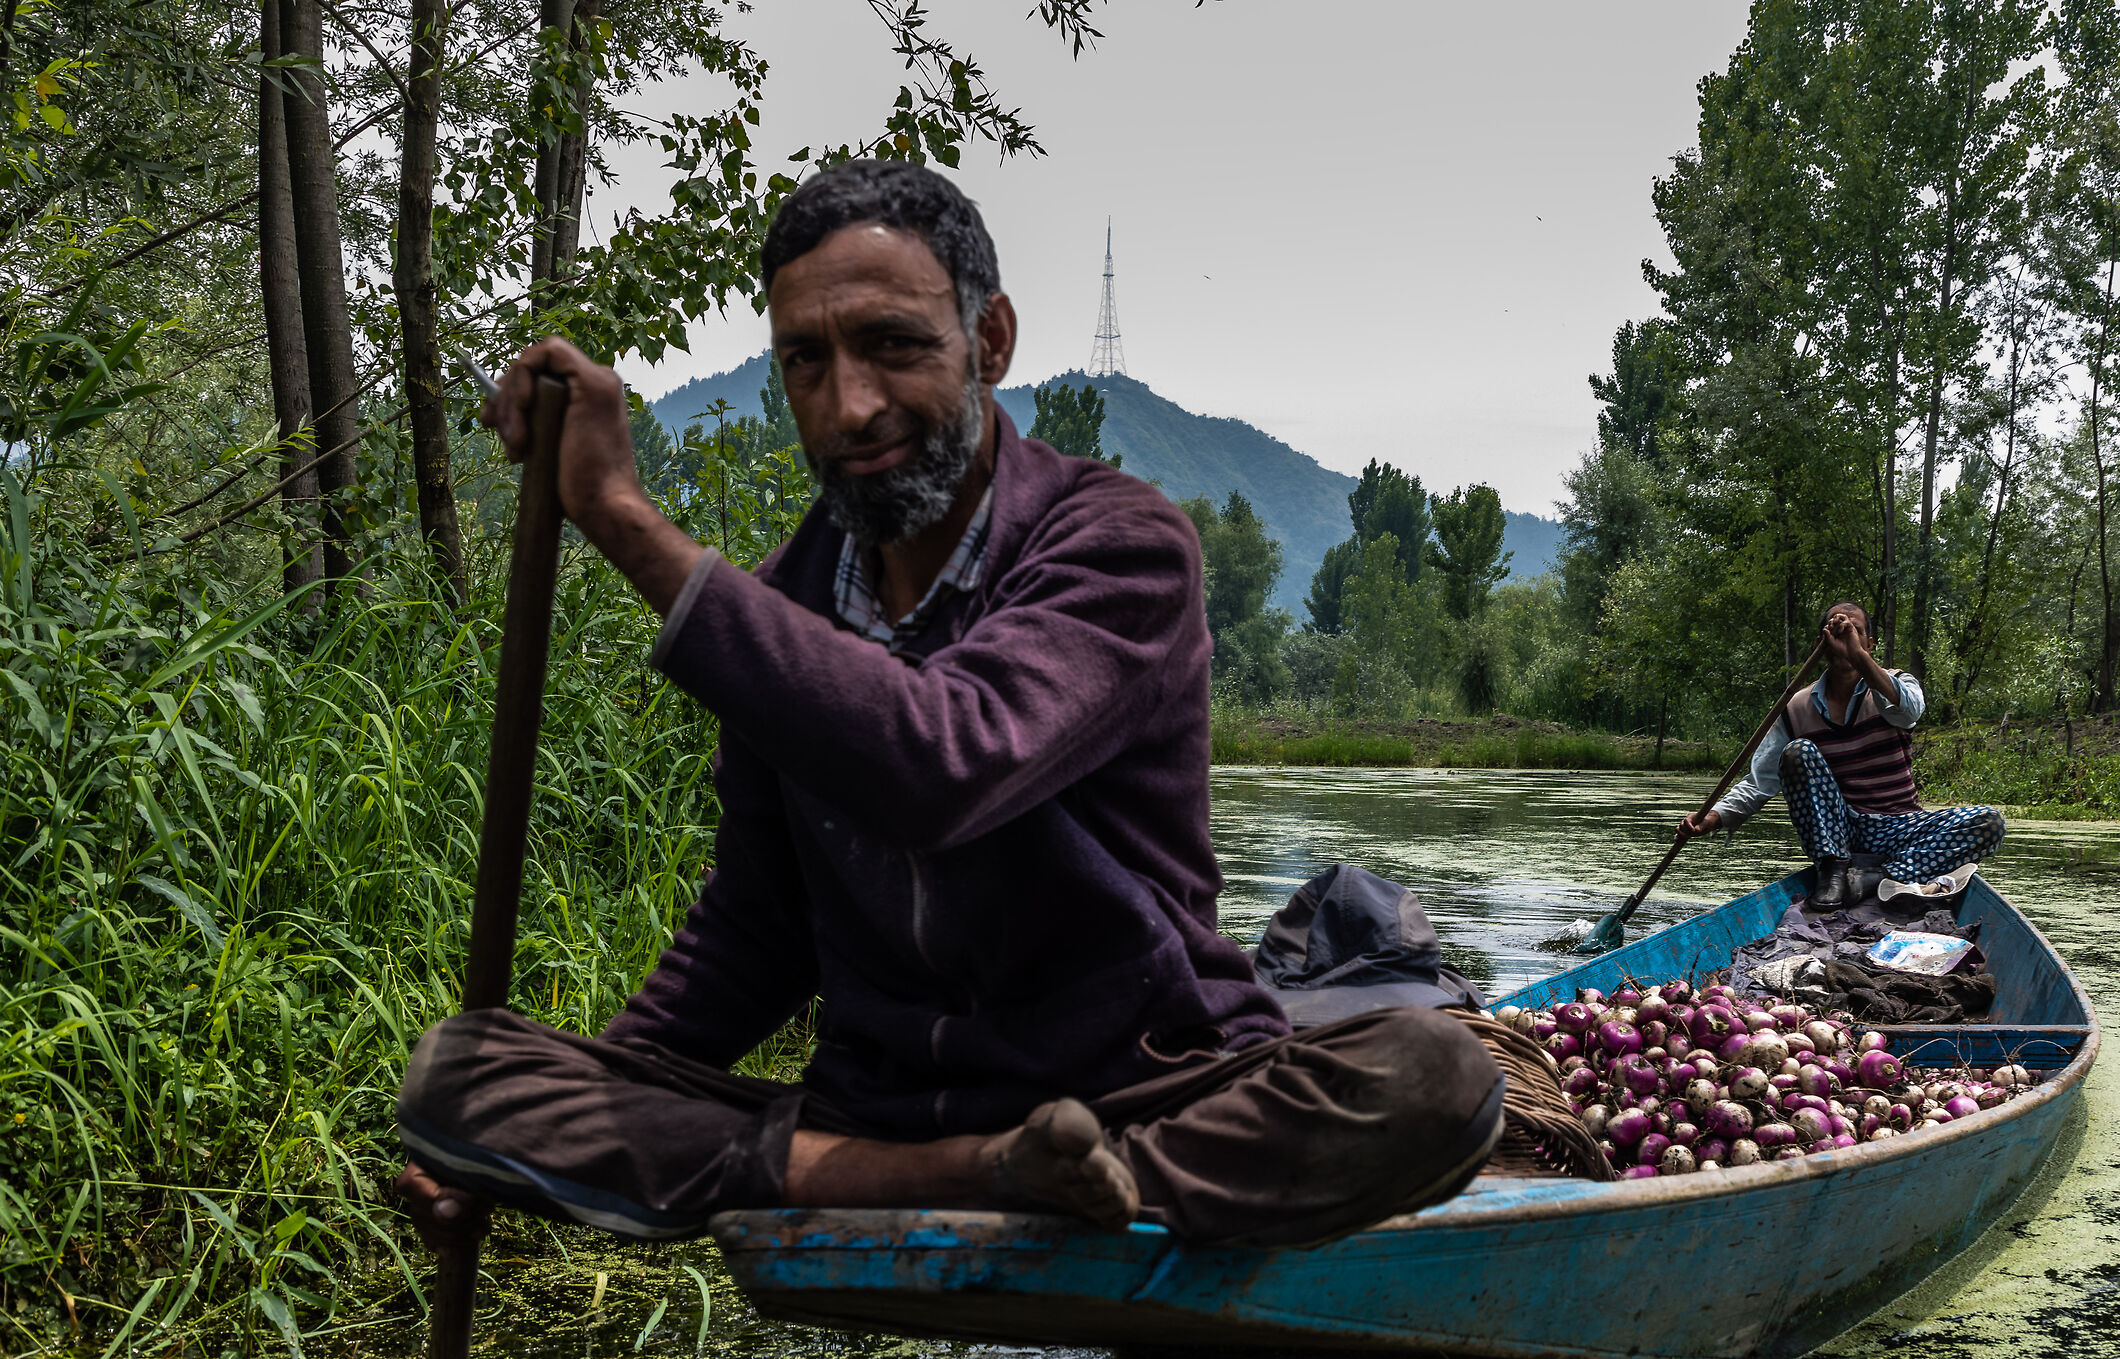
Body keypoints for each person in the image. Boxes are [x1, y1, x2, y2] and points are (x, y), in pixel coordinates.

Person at [396, 161, 1503, 1255]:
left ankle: (1069, 1175)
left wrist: (623, 517)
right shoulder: (786, 602)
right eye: (806, 364)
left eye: (894, 345)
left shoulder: (1116, 544)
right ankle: (992, 1178)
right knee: (465, 1077)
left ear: (991, 342)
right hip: (888, 1113)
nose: (851, 405)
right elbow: (755, 930)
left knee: (1435, 1076)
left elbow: (943, 763)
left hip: (1145, 1090)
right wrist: (592, 1091)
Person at [1675, 602, 2004, 912]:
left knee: (1988, 822)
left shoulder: (1893, 685)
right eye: (1839, 633)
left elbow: (1910, 711)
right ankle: (1834, 871)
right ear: (1823, 644)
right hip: (1841, 831)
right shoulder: (1795, 708)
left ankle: (1876, 877)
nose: (1847, 637)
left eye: (1857, 631)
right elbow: (1760, 782)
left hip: (1900, 825)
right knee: (1797, 752)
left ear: (1870, 643)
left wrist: (1859, 658)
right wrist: (1714, 818)